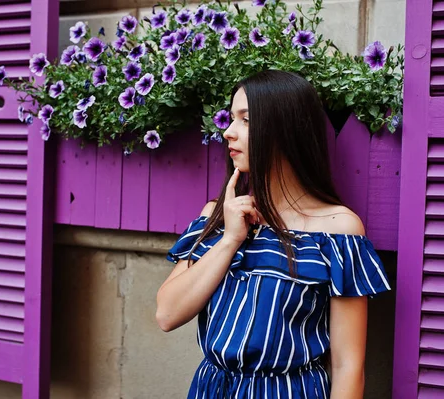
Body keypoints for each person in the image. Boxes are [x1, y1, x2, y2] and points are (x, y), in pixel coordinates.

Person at [156, 70, 391, 398]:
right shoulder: (217, 217)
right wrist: (230, 240)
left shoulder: (338, 233)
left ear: (285, 131)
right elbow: (167, 314)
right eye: (231, 118)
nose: (227, 132)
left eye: (246, 120)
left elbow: (347, 366)